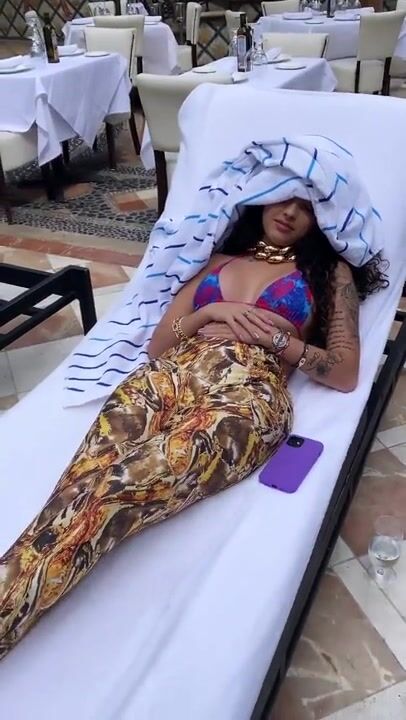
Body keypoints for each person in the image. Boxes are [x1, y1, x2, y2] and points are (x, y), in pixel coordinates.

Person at [0, 198, 388, 659]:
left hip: (247, 394)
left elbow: (344, 372)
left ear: (323, 217)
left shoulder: (330, 274)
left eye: (305, 206)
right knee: (78, 484)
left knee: (116, 488)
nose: (288, 212)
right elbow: (159, 344)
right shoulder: (218, 259)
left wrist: (274, 338)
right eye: (282, 197)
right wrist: (209, 313)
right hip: (167, 376)